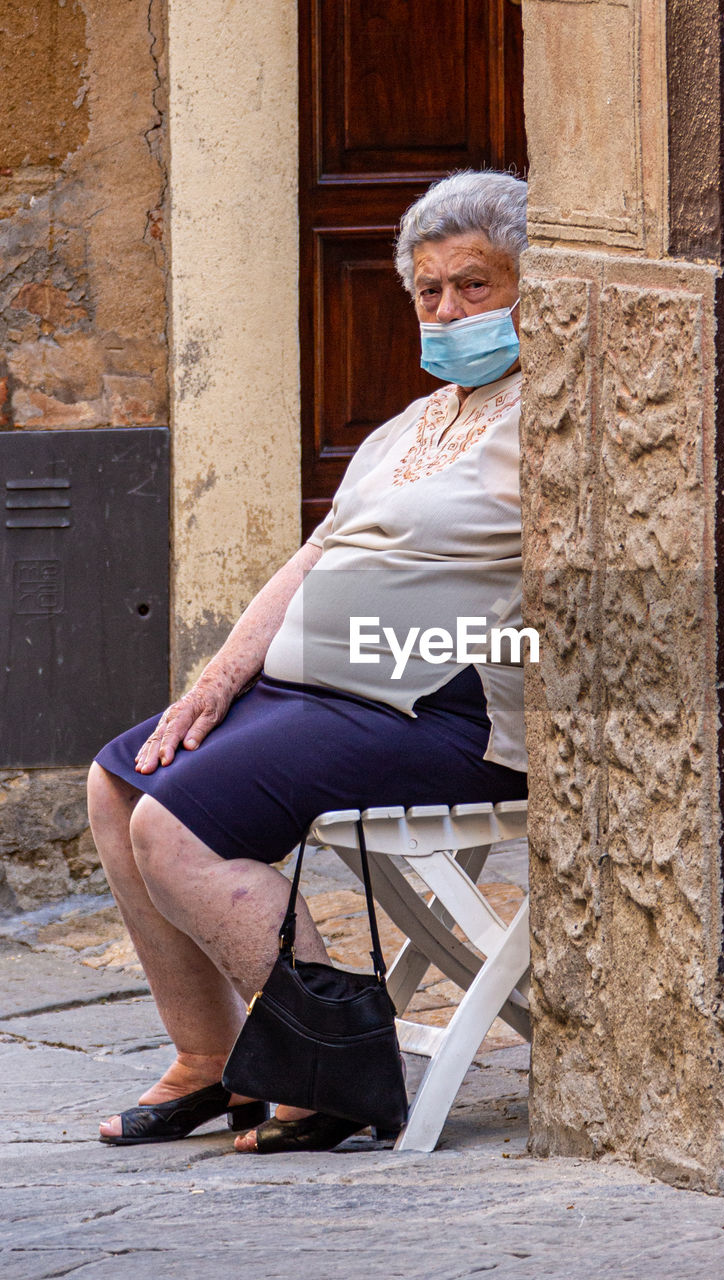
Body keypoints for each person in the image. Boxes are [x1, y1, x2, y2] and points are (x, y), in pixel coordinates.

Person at [88, 169, 530, 1154]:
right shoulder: (407, 425)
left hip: (438, 711)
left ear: (528, 290)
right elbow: (312, 557)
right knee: (121, 780)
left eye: (474, 284)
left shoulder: (554, 419)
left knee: (177, 827)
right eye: (429, 291)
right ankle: (210, 1062)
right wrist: (215, 680)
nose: (448, 309)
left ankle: (336, 1073)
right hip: (318, 693)